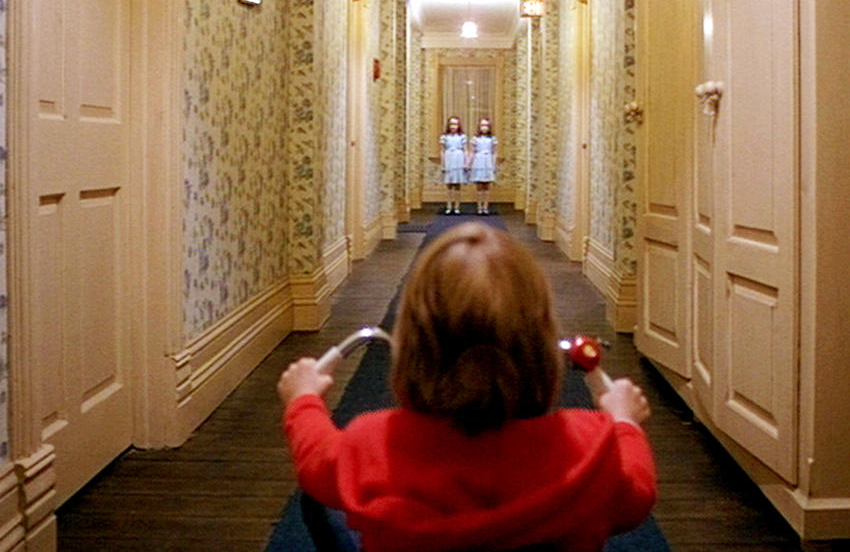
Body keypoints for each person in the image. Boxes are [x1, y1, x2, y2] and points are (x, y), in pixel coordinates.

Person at [278, 223, 658, 552]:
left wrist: (303, 400)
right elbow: (637, 494)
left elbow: (316, 462)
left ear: (413, 347)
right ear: (540, 344)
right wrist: (624, 422)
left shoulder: (371, 443)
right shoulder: (592, 449)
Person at [468, 117, 497, 215]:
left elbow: (494, 152)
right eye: (482, 126)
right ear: (479, 127)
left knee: (487, 186)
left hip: (487, 160)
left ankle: (485, 206)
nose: (484, 128)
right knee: (479, 185)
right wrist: (469, 164)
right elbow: (472, 152)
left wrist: (493, 165)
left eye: (486, 126)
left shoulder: (492, 139)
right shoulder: (475, 139)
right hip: (478, 160)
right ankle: (479, 207)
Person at [439, 115, 467, 215]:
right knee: (449, 185)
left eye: (455, 124)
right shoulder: (444, 137)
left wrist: (465, 163)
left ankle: (457, 206)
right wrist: (443, 164)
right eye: (451, 124)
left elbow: (465, 150)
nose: (453, 126)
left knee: (457, 184)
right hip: (449, 158)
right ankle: (449, 206)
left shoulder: (462, 137)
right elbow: (442, 151)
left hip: (458, 158)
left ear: (458, 125)